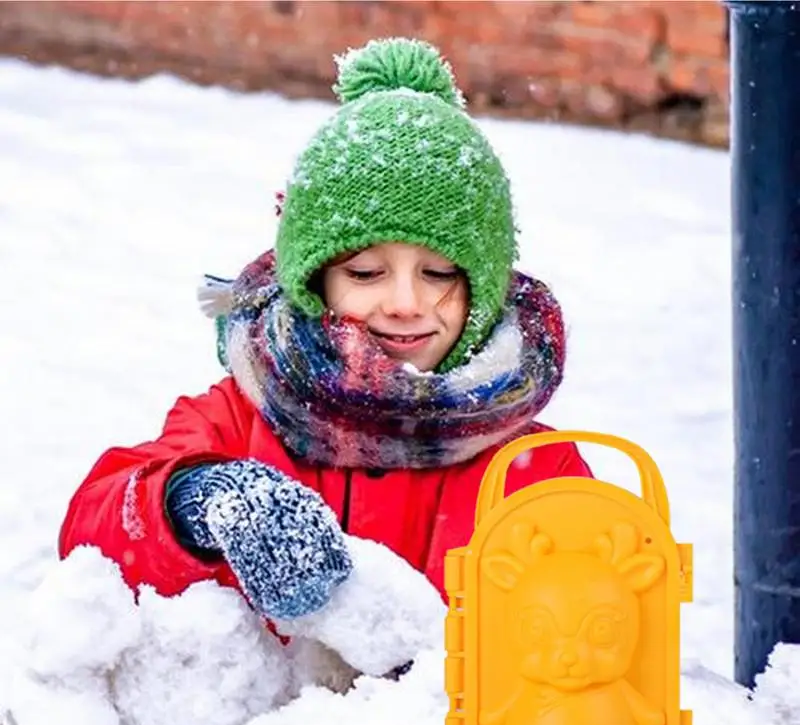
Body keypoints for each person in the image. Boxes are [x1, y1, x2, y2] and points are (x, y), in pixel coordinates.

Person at [59, 37, 592, 657]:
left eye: (440, 273)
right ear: (313, 282)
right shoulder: (237, 420)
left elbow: (596, 613)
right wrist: (196, 504)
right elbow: (93, 531)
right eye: (365, 273)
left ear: (486, 286)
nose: (404, 302)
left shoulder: (533, 469)